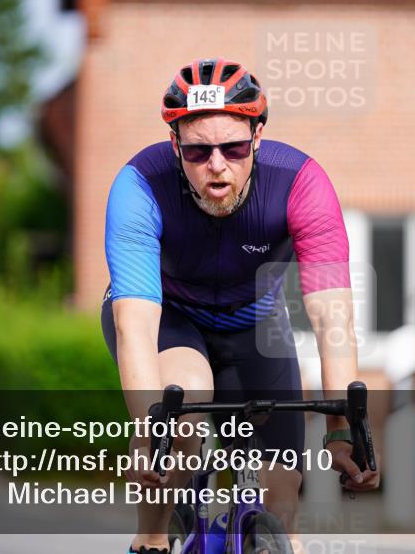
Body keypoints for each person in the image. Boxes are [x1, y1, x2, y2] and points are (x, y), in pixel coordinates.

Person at [101, 57, 380, 554]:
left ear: (256, 138)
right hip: (171, 317)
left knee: (280, 496)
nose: (216, 164)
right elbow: (137, 327)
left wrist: (342, 427)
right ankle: (151, 540)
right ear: (174, 145)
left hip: (254, 325)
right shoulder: (139, 185)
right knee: (180, 408)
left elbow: (332, 314)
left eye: (232, 147)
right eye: (197, 150)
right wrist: (148, 430)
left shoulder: (301, 183)